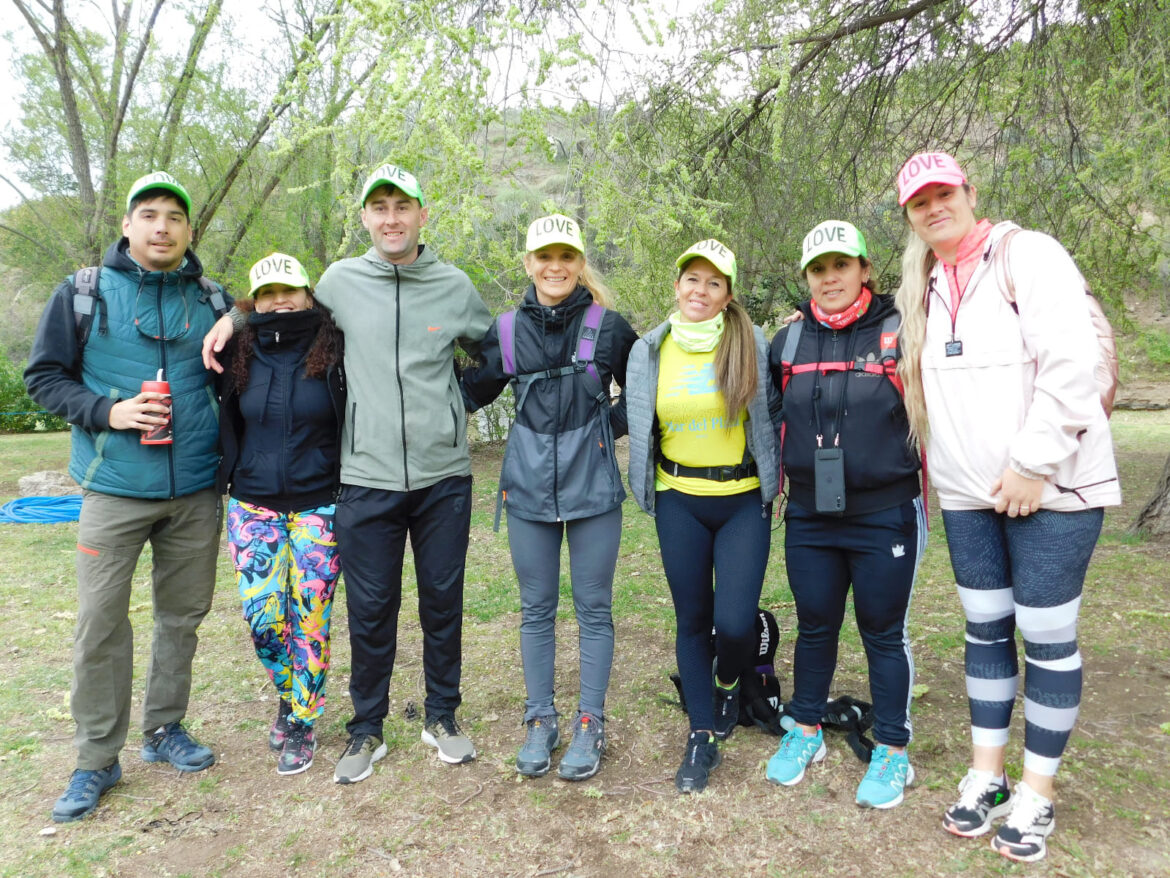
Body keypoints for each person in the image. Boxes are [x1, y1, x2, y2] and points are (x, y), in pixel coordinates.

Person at [204, 163, 492, 783]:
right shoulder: (338, 281)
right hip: (364, 477)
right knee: (370, 608)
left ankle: (442, 714)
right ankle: (367, 728)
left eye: (402, 206)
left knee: (443, 603)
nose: (391, 218)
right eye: (379, 207)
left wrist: (456, 404)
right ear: (364, 217)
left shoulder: (453, 285)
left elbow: (493, 354)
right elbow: (287, 308)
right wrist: (236, 315)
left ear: (421, 213)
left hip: (444, 477)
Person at [893, 152, 1121, 861]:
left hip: (1053, 488)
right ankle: (988, 777)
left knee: (1047, 641)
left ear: (969, 192)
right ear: (908, 214)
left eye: (945, 193)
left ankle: (1039, 791)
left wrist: (1031, 463)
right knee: (985, 633)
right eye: (919, 201)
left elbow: (1074, 366)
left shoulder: (1029, 255)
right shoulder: (924, 285)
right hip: (968, 497)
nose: (935, 208)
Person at [25, 172, 229, 822]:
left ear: (190, 230)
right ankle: (95, 759)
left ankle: (164, 729)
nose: (162, 226)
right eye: (149, 214)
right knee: (100, 625)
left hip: (195, 491)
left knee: (181, 618)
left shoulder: (212, 298)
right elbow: (44, 377)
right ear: (127, 225)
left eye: (174, 216)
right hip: (113, 490)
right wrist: (107, 412)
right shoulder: (83, 293)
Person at [460, 215, 637, 780]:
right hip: (529, 493)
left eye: (566, 256)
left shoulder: (608, 327)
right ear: (529, 263)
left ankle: (590, 722)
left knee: (594, 608)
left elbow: (646, 386)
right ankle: (540, 719)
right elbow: (468, 392)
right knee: (535, 610)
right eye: (544, 256)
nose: (555, 266)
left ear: (580, 262)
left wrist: (604, 430)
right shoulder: (507, 330)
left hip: (594, 493)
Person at [763, 220, 926, 809]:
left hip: (885, 511)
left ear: (863, 269)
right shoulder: (787, 342)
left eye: (841, 266)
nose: (830, 278)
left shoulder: (901, 329)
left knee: (883, 631)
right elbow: (770, 419)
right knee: (815, 626)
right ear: (807, 276)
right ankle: (805, 730)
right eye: (818, 269)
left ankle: (892, 748)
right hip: (809, 513)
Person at [626, 239, 780, 793]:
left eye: (714, 283)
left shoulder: (752, 343)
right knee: (692, 619)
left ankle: (729, 679)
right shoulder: (648, 350)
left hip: (741, 500)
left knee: (735, 623)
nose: (701, 290)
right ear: (677, 285)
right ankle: (700, 736)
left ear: (727, 294)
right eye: (692, 279)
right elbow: (639, 419)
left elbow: (778, 411)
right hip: (679, 500)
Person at [217, 253, 344, 776]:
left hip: (321, 505)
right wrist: (233, 318)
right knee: (264, 621)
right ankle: (289, 694)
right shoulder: (237, 350)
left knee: (309, 619)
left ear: (309, 293)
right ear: (254, 302)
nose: (280, 301)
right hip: (252, 505)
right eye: (266, 293)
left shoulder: (336, 346)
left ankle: (302, 721)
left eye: (289, 290)